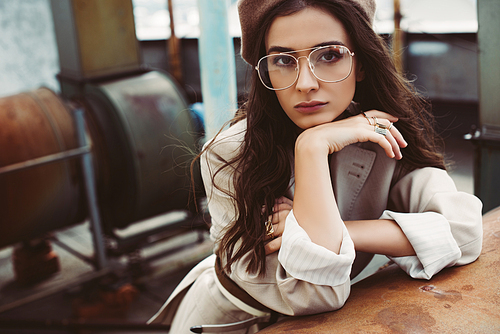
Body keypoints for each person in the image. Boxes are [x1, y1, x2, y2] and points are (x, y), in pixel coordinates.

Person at [149, 0, 483, 332]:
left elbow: (464, 233)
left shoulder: (379, 137)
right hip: (228, 319)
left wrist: (344, 230)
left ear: (362, 63)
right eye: (283, 60)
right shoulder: (229, 154)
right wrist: (312, 147)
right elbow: (317, 293)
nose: (306, 83)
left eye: (329, 55)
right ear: (265, 70)